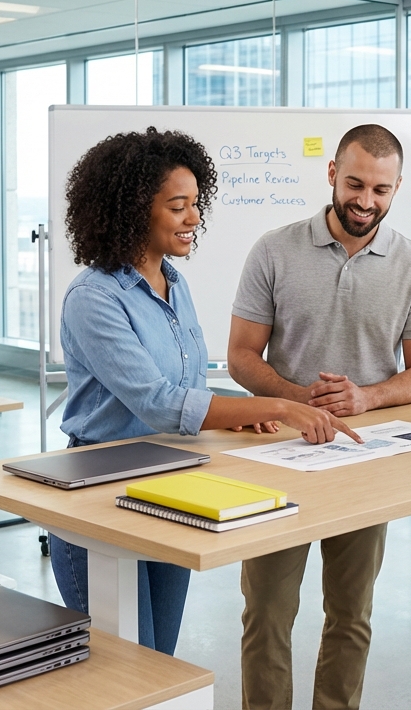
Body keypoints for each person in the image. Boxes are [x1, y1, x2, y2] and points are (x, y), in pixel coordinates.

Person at [50, 127, 360, 656]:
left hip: (170, 484)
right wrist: (282, 405)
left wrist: (237, 414)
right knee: (129, 669)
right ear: (132, 210)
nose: (194, 218)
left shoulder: (175, 283)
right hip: (101, 491)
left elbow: (187, 386)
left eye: (196, 204)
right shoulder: (93, 298)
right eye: (178, 206)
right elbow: (159, 402)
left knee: (160, 659)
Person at [228, 123, 411, 710]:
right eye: (354, 184)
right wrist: (294, 401)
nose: (365, 201)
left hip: (364, 460)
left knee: (351, 614)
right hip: (280, 459)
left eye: (380, 189)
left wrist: (366, 398)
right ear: (331, 175)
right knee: (267, 613)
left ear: (397, 188)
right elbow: (242, 356)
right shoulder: (274, 249)